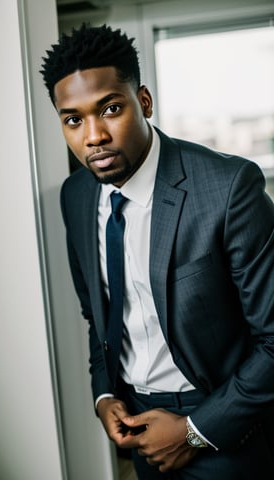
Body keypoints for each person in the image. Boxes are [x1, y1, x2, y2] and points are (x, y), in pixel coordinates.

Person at [40, 23, 274, 479]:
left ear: (143, 101)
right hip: (138, 424)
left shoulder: (229, 190)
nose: (93, 136)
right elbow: (98, 315)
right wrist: (104, 394)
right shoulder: (76, 196)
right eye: (73, 119)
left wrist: (193, 431)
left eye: (109, 109)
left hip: (226, 428)